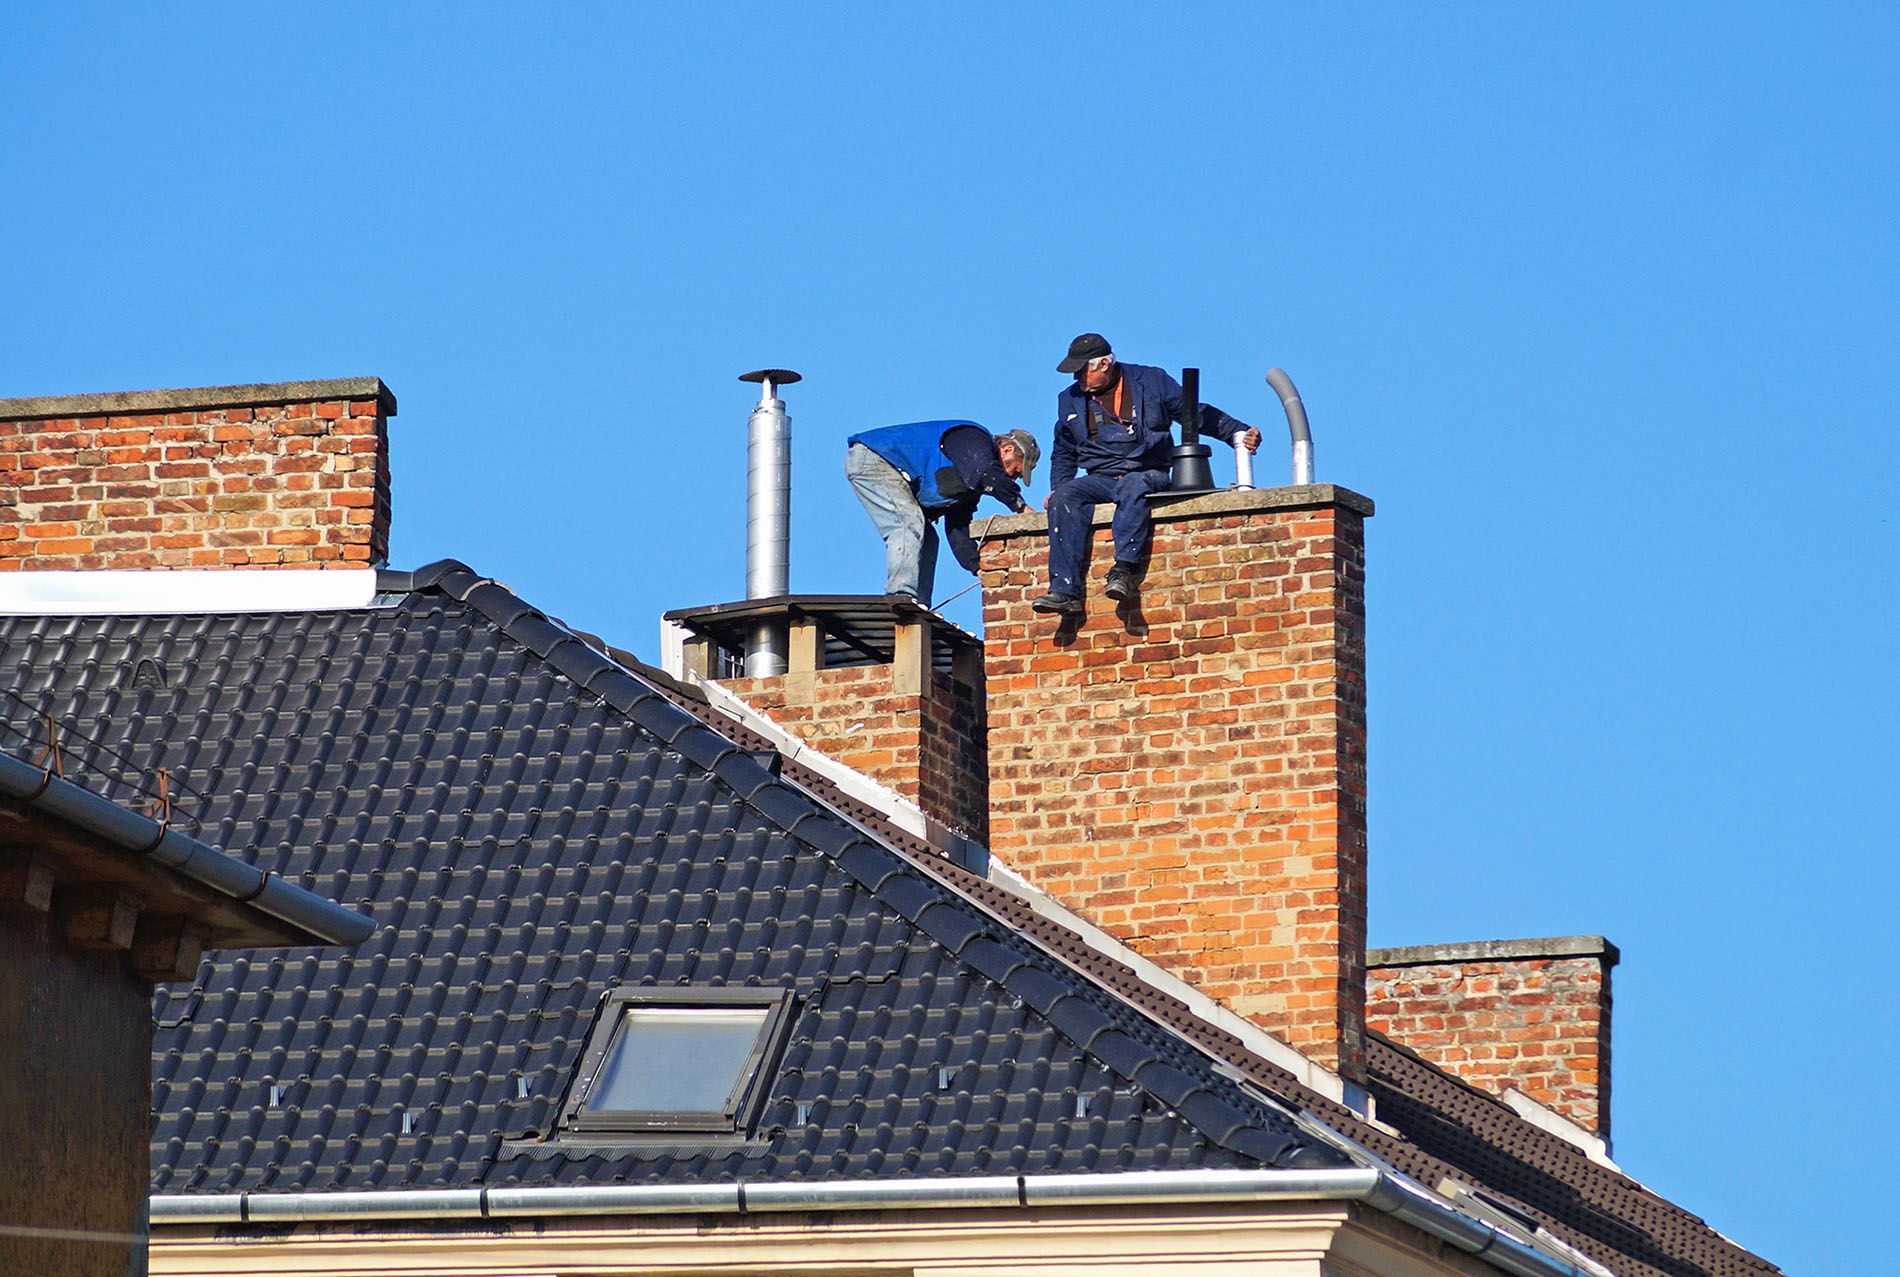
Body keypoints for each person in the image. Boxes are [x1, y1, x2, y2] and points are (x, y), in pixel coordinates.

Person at [1031, 334, 1261, 615]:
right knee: (1065, 497)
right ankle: (1064, 591)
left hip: (1148, 472)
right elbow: (1064, 450)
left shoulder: (1150, 382)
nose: (1077, 377)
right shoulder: (1069, 400)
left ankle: (1123, 570)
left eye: (1082, 370)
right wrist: (1059, 486)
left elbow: (1194, 413)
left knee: (1133, 484)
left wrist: (1238, 432)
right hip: (1101, 477)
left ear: (1103, 364)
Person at [846, 420, 1039, 605]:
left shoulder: (971, 484)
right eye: (1016, 471)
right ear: (1007, 450)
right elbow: (988, 474)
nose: (1013, 479)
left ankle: (918, 605)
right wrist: (1021, 507)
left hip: (891, 470)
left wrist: (977, 566)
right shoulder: (973, 438)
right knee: (909, 524)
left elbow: (958, 527)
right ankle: (900, 594)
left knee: (928, 539)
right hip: (876, 459)